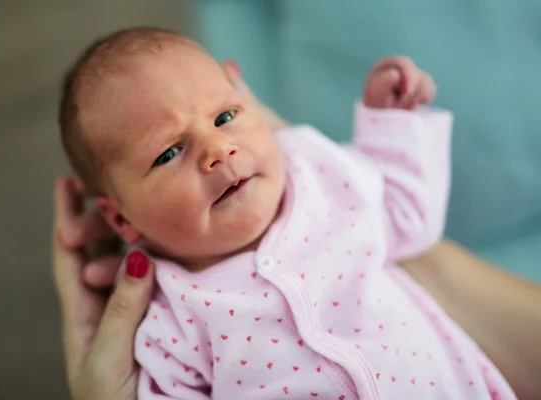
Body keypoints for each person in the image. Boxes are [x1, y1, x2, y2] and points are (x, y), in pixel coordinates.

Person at [53, 58, 541, 399]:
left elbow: (409, 218)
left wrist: (392, 121)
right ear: (121, 219)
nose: (217, 150)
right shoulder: (170, 319)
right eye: (167, 152)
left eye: (225, 116)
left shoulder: (318, 179)